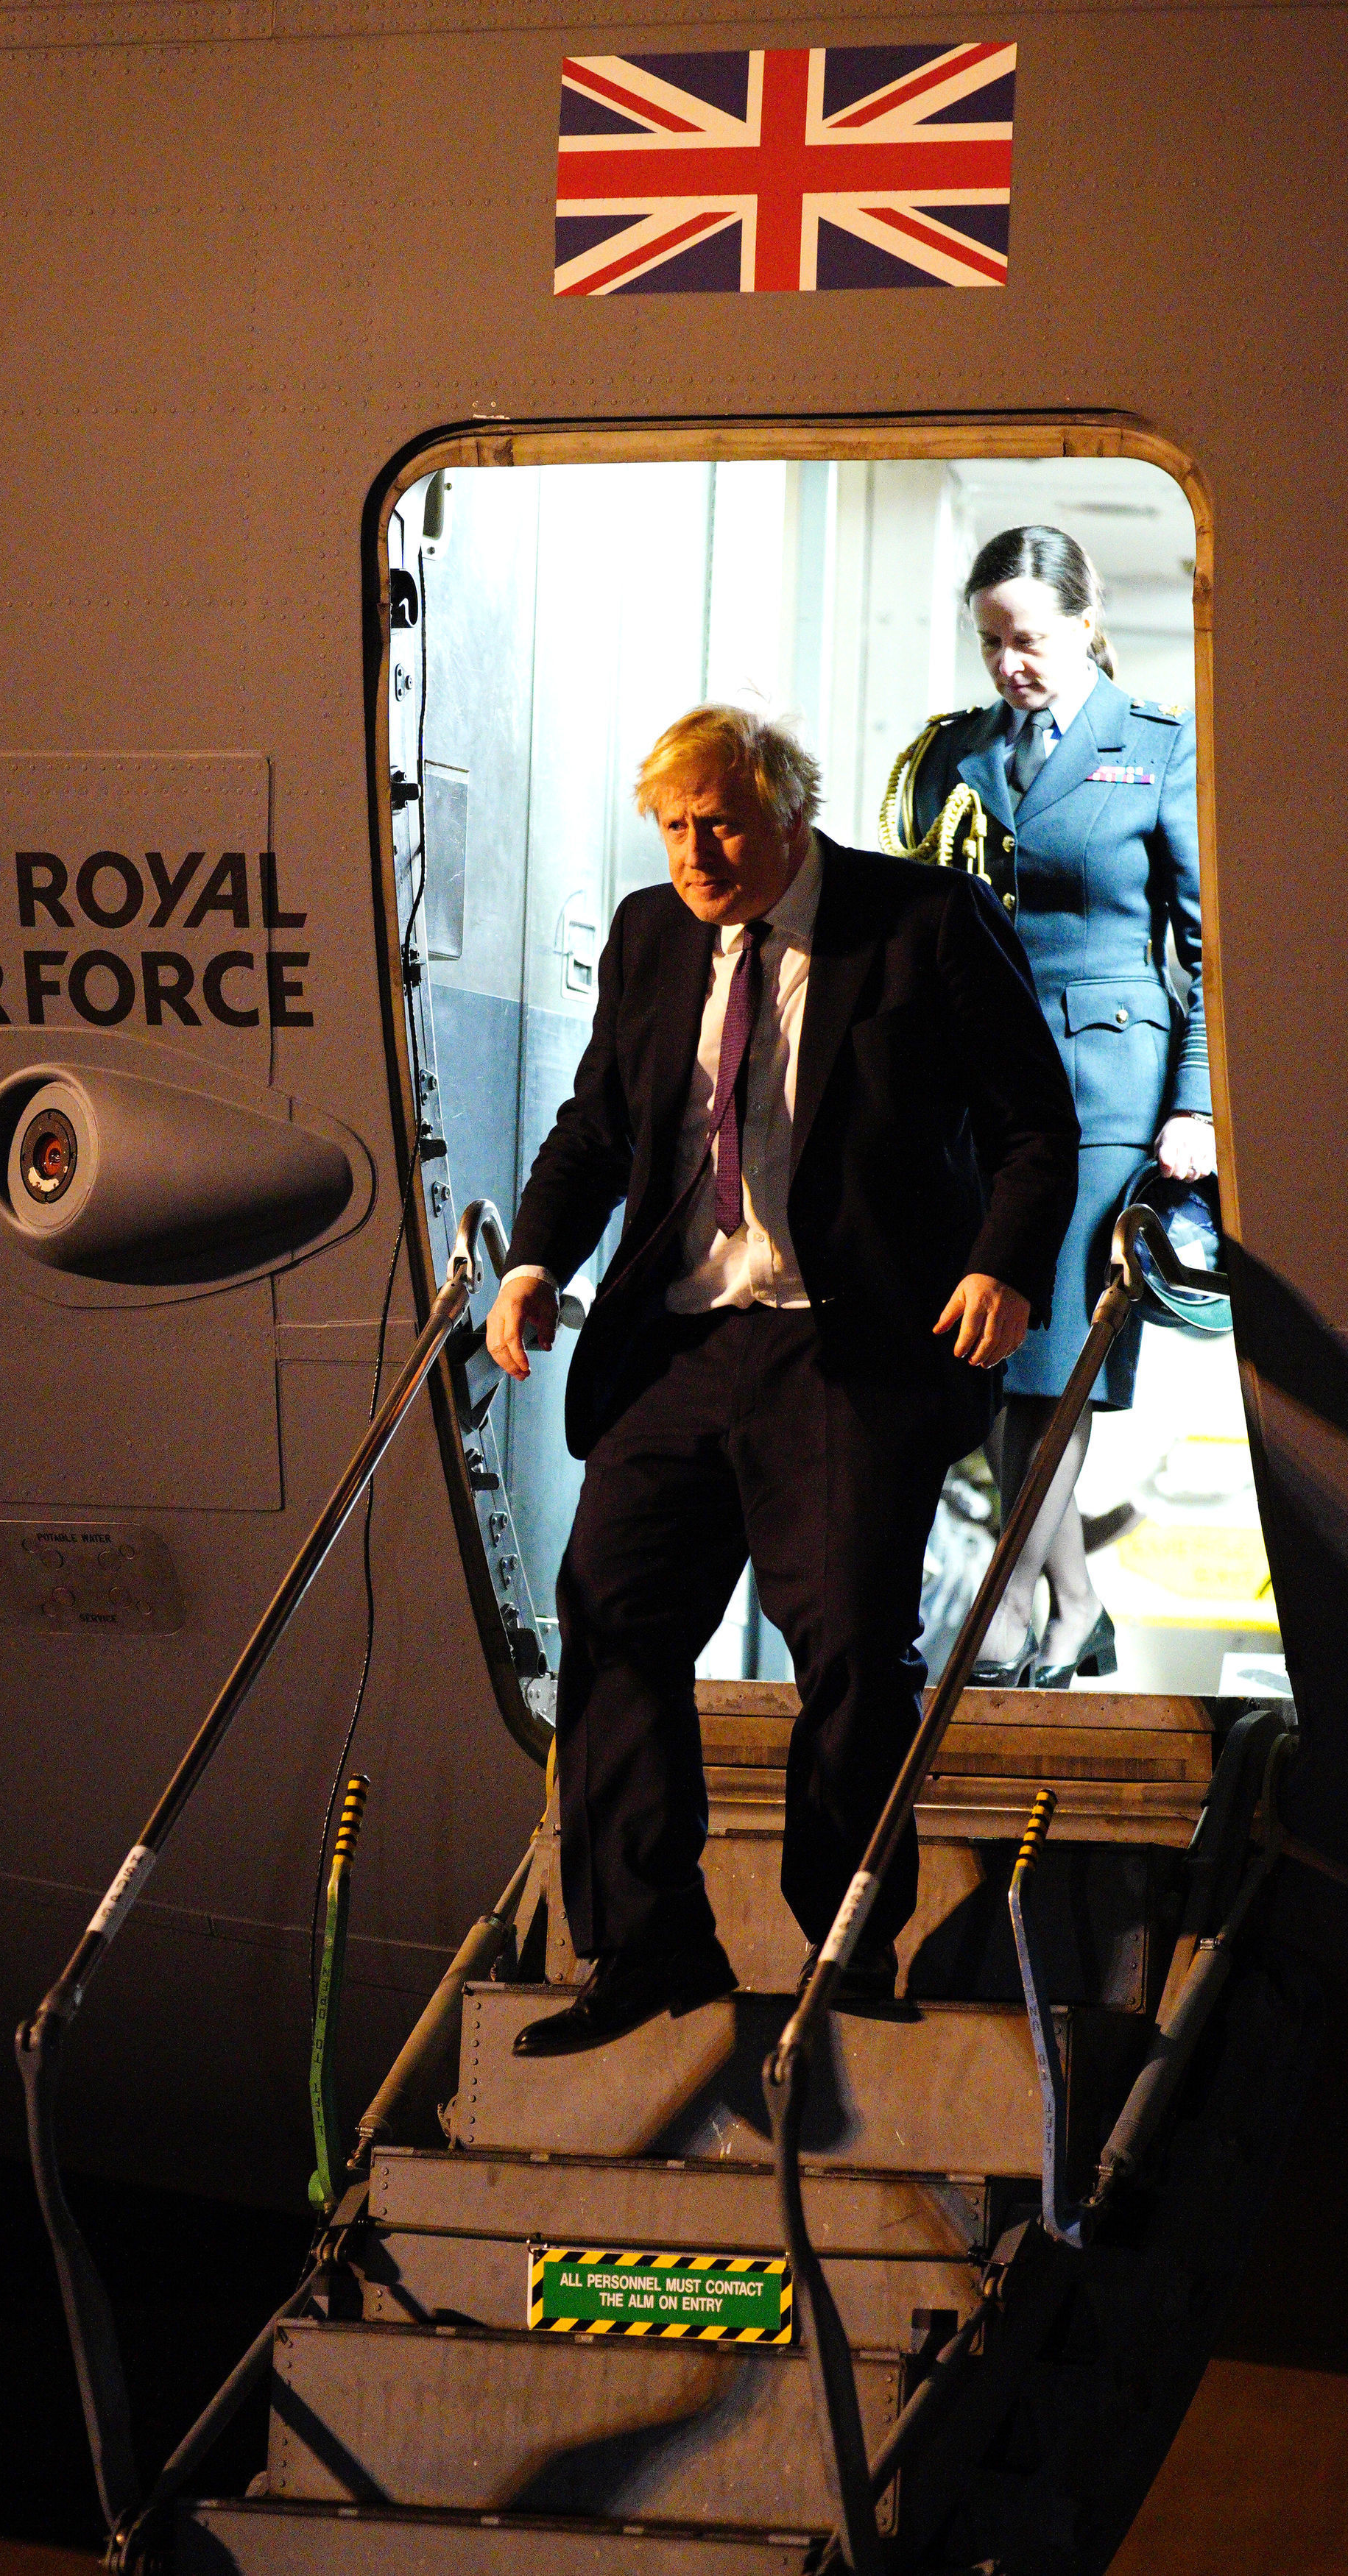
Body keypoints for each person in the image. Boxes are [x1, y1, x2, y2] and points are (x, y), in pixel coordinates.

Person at [484, 705, 1079, 2053]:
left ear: (790, 813)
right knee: (613, 1614)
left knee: (856, 1651)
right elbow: (596, 1128)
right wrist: (532, 1263)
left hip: (846, 1344)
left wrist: (1003, 1264)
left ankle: (847, 1952)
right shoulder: (651, 935)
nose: (695, 853)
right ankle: (649, 1948)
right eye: (675, 826)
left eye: (723, 824)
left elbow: (1035, 1121)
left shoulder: (923, 922)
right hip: (683, 1341)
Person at [883, 525, 1213, 1688]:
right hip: (977, 1093)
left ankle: (1014, 1604)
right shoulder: (958, 754)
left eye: (1028, 639)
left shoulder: (1156, 748)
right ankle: (1075, 1601)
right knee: (986, 1353)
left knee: (1047, 1356)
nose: (1011, 664)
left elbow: (1205, 943)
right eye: (991, 644)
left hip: (1105, 1091)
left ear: (1085, 620)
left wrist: (1199, 1104)